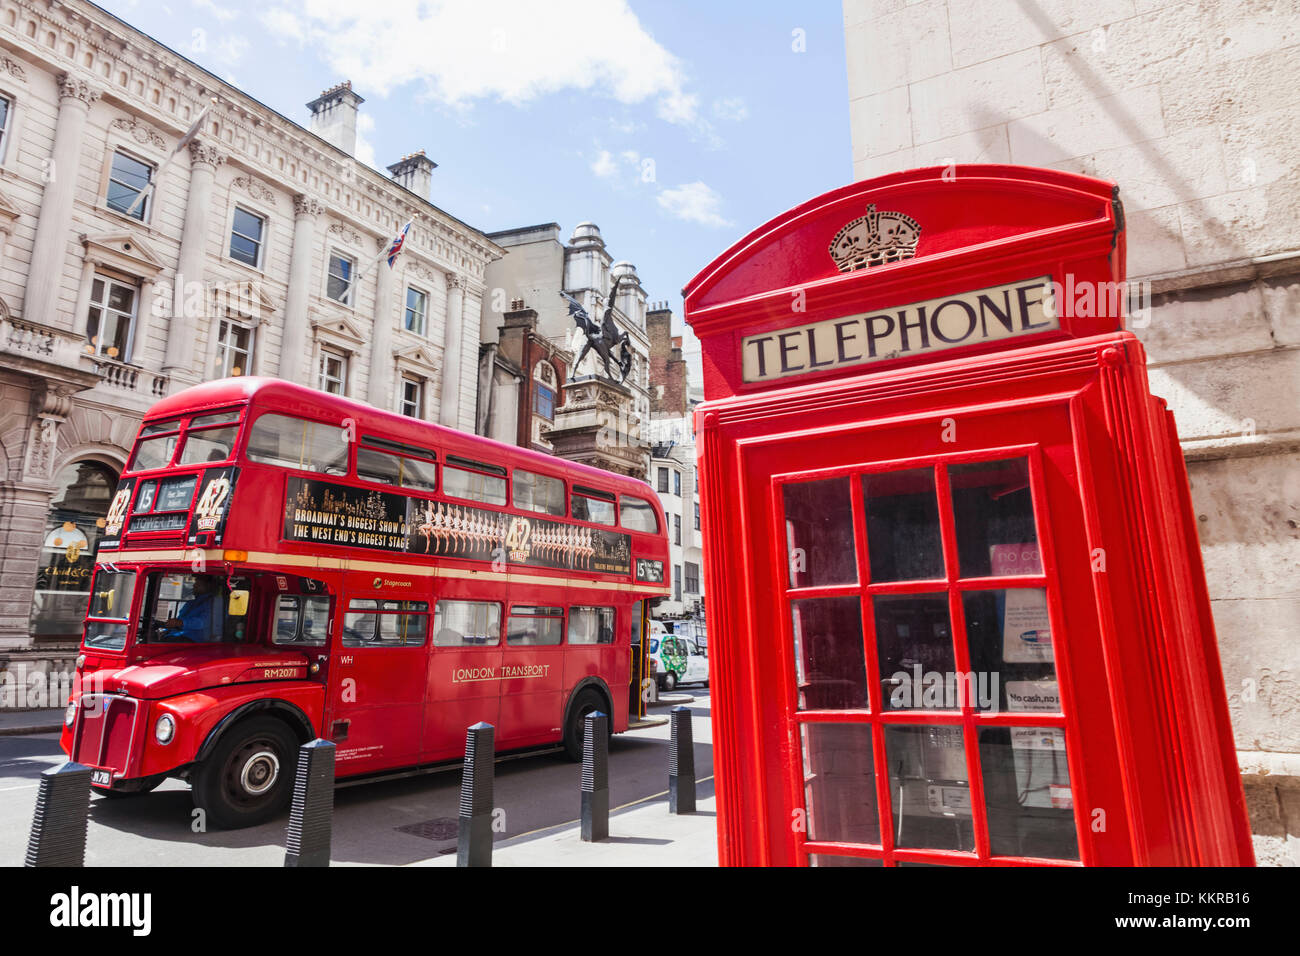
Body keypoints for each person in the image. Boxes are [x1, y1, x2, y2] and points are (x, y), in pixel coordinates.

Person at [162, 575, 222, 642]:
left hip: (194, 640)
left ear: (208, 586)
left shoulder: (215, 603)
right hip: (178, 635)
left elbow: (203, 622)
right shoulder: (191, 603)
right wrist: (167, 628)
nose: (194, 586)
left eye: (198, 584)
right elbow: (179, 620)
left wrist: (180, 623)